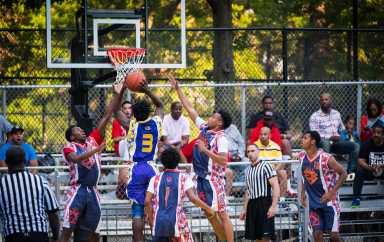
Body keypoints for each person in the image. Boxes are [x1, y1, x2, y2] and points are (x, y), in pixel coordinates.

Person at [169, 76, 234, 242]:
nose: (210, 118)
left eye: (213, 116)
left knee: (222, 214)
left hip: (213, 180)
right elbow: (191, 109)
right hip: (200, 179)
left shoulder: (221, 139)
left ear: (219, 123)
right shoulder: (205, 128)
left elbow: (223, 161)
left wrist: (205, 151)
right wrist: (178, 89)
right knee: (209, 214)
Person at [60, 83, 125, 242]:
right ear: (72, 136)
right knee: (68, 229)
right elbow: (75, 159)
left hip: (93, 192)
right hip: (78, 191)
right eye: (77, 129)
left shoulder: (92, 140)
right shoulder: (69, 146)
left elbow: (107, 115)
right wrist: (96, 151)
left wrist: (119, 92)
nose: (82, 130)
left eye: (82, 129)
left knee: (93, 232)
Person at [116, 79, 164, 242]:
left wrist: (121, 90)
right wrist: (147, 90)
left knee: (137, 210)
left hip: (135, 170)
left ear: (134, 114)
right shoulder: (157, 123)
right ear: (148, 112)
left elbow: (116, 110)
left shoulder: (132, 126)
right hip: (152, 169)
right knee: (153, 209)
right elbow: (160, 105)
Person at [144, 146, 215, 242]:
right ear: (178, 161)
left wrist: (152, 221)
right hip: (178, 221)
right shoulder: (184, 177)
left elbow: (147, 201)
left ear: (162, 162)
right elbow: (193, 198)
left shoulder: (155, 179)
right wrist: (208, 208)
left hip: (159, 221)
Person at [0, 146, 60, 242]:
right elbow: (53, 213)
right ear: (25, 161)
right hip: (39, 235)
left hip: (14, 236)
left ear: (6, 163)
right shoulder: (40, 181)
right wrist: (56, 237)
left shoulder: (2, 184)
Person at [300, 131, 347, 242]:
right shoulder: (302, 156)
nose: (302, 139)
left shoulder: (326, 158)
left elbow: (343, 173)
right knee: (317, 235)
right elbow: (304, 177)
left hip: (329, 202)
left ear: (313, 141)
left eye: (305, 138)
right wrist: (302, 193)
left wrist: (331, 193)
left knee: (334, 236)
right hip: (313, 203)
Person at [309, 93, 359, 173]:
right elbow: (314, 135)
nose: (324, 101)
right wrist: (329, 138)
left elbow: (342, 129)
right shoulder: (314, 116)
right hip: (322, 144)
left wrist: (342, 135)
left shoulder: (337, 114)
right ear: (320, 102)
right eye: (322, 100)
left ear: (331, 101)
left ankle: (350, 173)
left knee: (356, 146)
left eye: (326, 99)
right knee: (326, 143)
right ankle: (326, 172)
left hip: (337, 143)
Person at [240, 144, 280, 242]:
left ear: (258, 152)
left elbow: (275, 185)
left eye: (252, 151)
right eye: (248, 152)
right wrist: (244, 209)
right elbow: (248, 191)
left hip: (264, 202)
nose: (250, 153)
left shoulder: (266, 166)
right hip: (252, 204)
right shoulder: (247, 170)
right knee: (256, 237)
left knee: (266, 237)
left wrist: (273, 206)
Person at [352, 121, 384, 208]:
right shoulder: (366, 144)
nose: (375, 135)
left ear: (383, 135)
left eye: (378, 133)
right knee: (359, 171)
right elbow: (360, 160)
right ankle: (356, 199)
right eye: (374, 132)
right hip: (370, 171)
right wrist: (370, 168)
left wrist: (381, 166)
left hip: (383, 171)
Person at [255, 127, 288, 198]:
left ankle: (282, 199)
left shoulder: (276, 146)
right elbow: (253, 162)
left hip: (273, 170)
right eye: (261, 134)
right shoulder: (254, 146)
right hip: (259, 170)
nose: (263, 136)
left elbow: (279, 163)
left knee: (283, 173)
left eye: (265, 134)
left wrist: (273, 171)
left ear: (270, 135)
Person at [224, 123, 245, 196]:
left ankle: (240, 190)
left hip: (236, 154)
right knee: (228, 171)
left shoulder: (232, 128)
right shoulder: (213, 129)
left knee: (247, 164)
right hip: (223, 156)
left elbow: (241, 143)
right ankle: (228, 194)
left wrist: (239, 155)